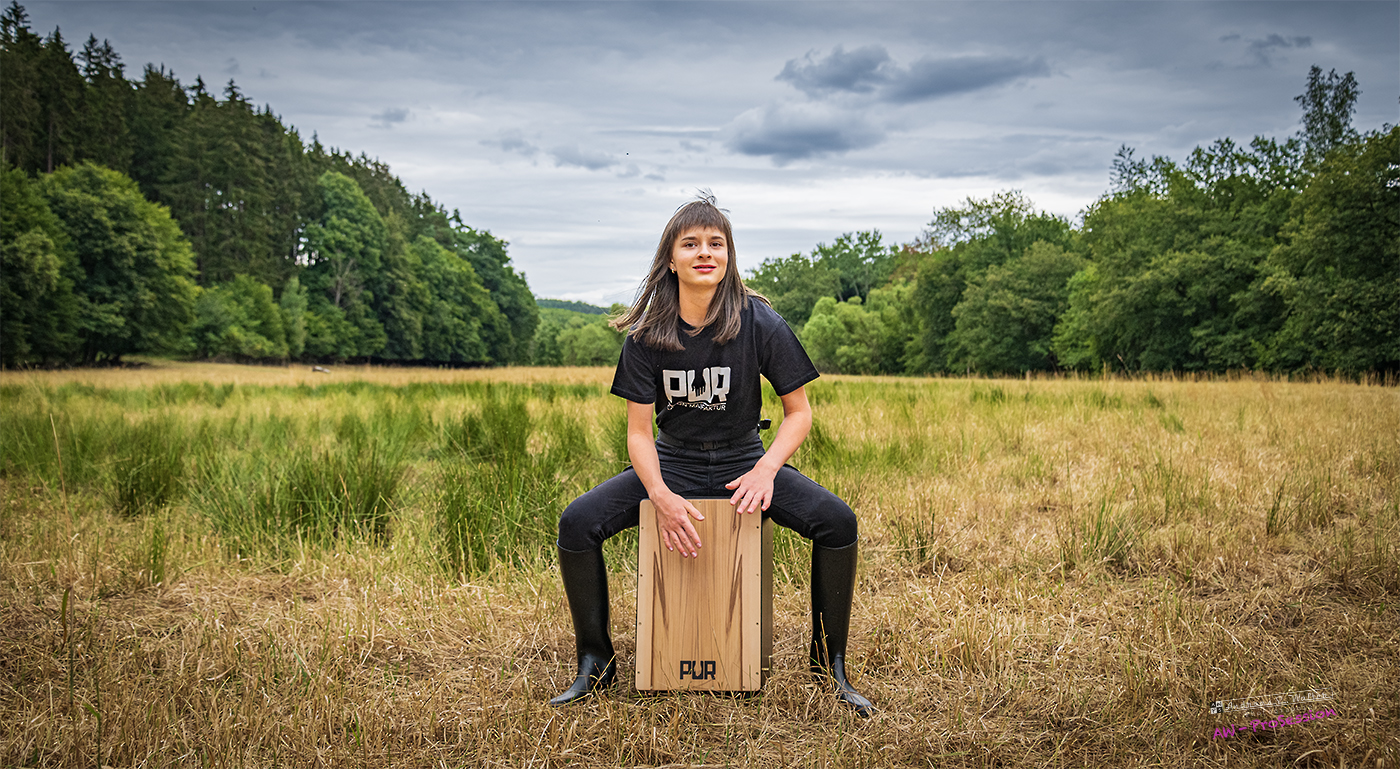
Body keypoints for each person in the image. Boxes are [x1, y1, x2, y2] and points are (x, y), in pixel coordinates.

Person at [549, 194, 874, 718]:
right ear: (671, 258)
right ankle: (596, 661)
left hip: (744, 462)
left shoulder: (758, 322)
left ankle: (828, 666)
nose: (706, 252)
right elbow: (637, 433)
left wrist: (767, 469)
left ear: (729, 256)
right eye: (691, 243)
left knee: (838, 522)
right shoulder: (647, 336)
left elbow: (799, 414)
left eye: (716, 243)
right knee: (576, 523)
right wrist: (659, 494)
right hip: (671, 462)